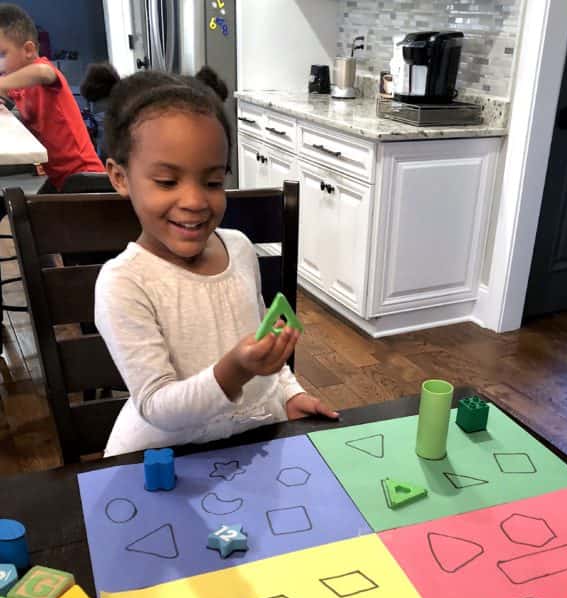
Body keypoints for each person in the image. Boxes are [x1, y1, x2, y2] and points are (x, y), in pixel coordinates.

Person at [80, 63, 338, 457]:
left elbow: (264, 343)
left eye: (214, 181)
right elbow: (156, 405)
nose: (195, 201)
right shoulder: (124, 283)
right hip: (162, 461)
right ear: (119, 177)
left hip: (251, 447)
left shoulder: (238, 248)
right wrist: (233, 371)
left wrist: (289, 393)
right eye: (167, 181)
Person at [0, 4, 104, 190]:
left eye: (1, 54)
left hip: (86, 179)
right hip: (61, 181)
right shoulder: (18, 87)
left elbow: (42, 72)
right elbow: (8, 93)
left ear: (29, 50)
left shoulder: (44, 73)